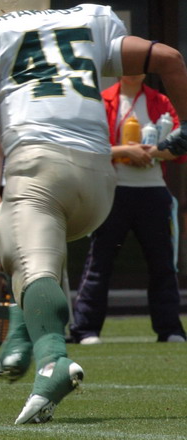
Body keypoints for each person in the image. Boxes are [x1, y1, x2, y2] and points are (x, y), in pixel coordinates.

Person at [0, 0, 187, 425]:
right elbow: (171, 59)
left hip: (38, 166)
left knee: (21, 247)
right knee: (40, 247)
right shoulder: (87, 20)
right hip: (99, 180)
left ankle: (52, 360)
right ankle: (22, 336)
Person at [70, 74, 187, 344]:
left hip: (153, 190)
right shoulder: (101, 101)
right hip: (113, 190)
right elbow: (88, 147)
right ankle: (85, 329)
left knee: (163, 264)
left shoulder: (161, 101)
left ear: (146, 70)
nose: (133, 70)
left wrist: (152, 152)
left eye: (139, 64)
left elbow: (180, 144)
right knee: (99, 262)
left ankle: (170, 329)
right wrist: (125, 151)